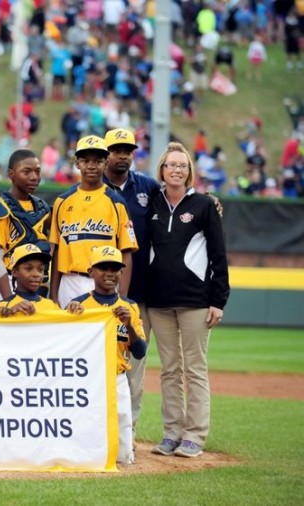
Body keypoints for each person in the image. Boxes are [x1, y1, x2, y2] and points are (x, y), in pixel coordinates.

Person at [148, 142, 230, 459]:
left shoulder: (204, 206)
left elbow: (219, 255)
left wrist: (218, 300)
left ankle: (195, 435)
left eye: (182, 165)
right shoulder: (151, 203)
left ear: (189, 171)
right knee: (169, 370)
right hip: (158, 301)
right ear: (162, 169)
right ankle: (172, 433)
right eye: (171, 164)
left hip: (196, 300)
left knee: (194, 369)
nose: (177, 169)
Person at [101, 128, 160, 435]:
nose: (122, 155)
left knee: (134, 368)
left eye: (128, 150)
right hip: (97, 290)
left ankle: (129, 432)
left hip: (136, 292)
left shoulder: (147, 187)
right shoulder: (94, 187)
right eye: (116, 149)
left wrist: (208, 201)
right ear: (105, 153)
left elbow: (178, 202)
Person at [70, 246, 147, 465]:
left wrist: (129, 326)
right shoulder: (79, 305)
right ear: (91, 271)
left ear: (121, 273)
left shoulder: (129, 307)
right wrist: (71, 317)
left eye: (115, 268)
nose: (109, 273)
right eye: (103, 268)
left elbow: (140, 352)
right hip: (87, 380)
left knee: (123, 452)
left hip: (117, 378)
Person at [49, 135, 138, 309]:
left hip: (105, 281)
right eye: (85, 161)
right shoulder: (62, 201)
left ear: (105, 164)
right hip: (70, 280)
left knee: (104, 335)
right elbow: (58, 250)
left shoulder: (117, 202)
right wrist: (53, 295)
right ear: (77, 163)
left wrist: (123, 298)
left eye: (97, 161)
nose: (91, 166)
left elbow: (126, 252)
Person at [0, 149, 52, 302]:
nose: (34, 177)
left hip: (32, 285)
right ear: (11, 174)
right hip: (4, 283)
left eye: (37, 171)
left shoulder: (43, 208)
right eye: (26, 171)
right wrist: (9, 299)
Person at [0, 243, 59, 316]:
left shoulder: (51, 305)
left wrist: (74, 309)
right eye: (28, 269)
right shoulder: (3, 306)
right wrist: (10, 313)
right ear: (14, 272)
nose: (36, 274)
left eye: (40, 269)